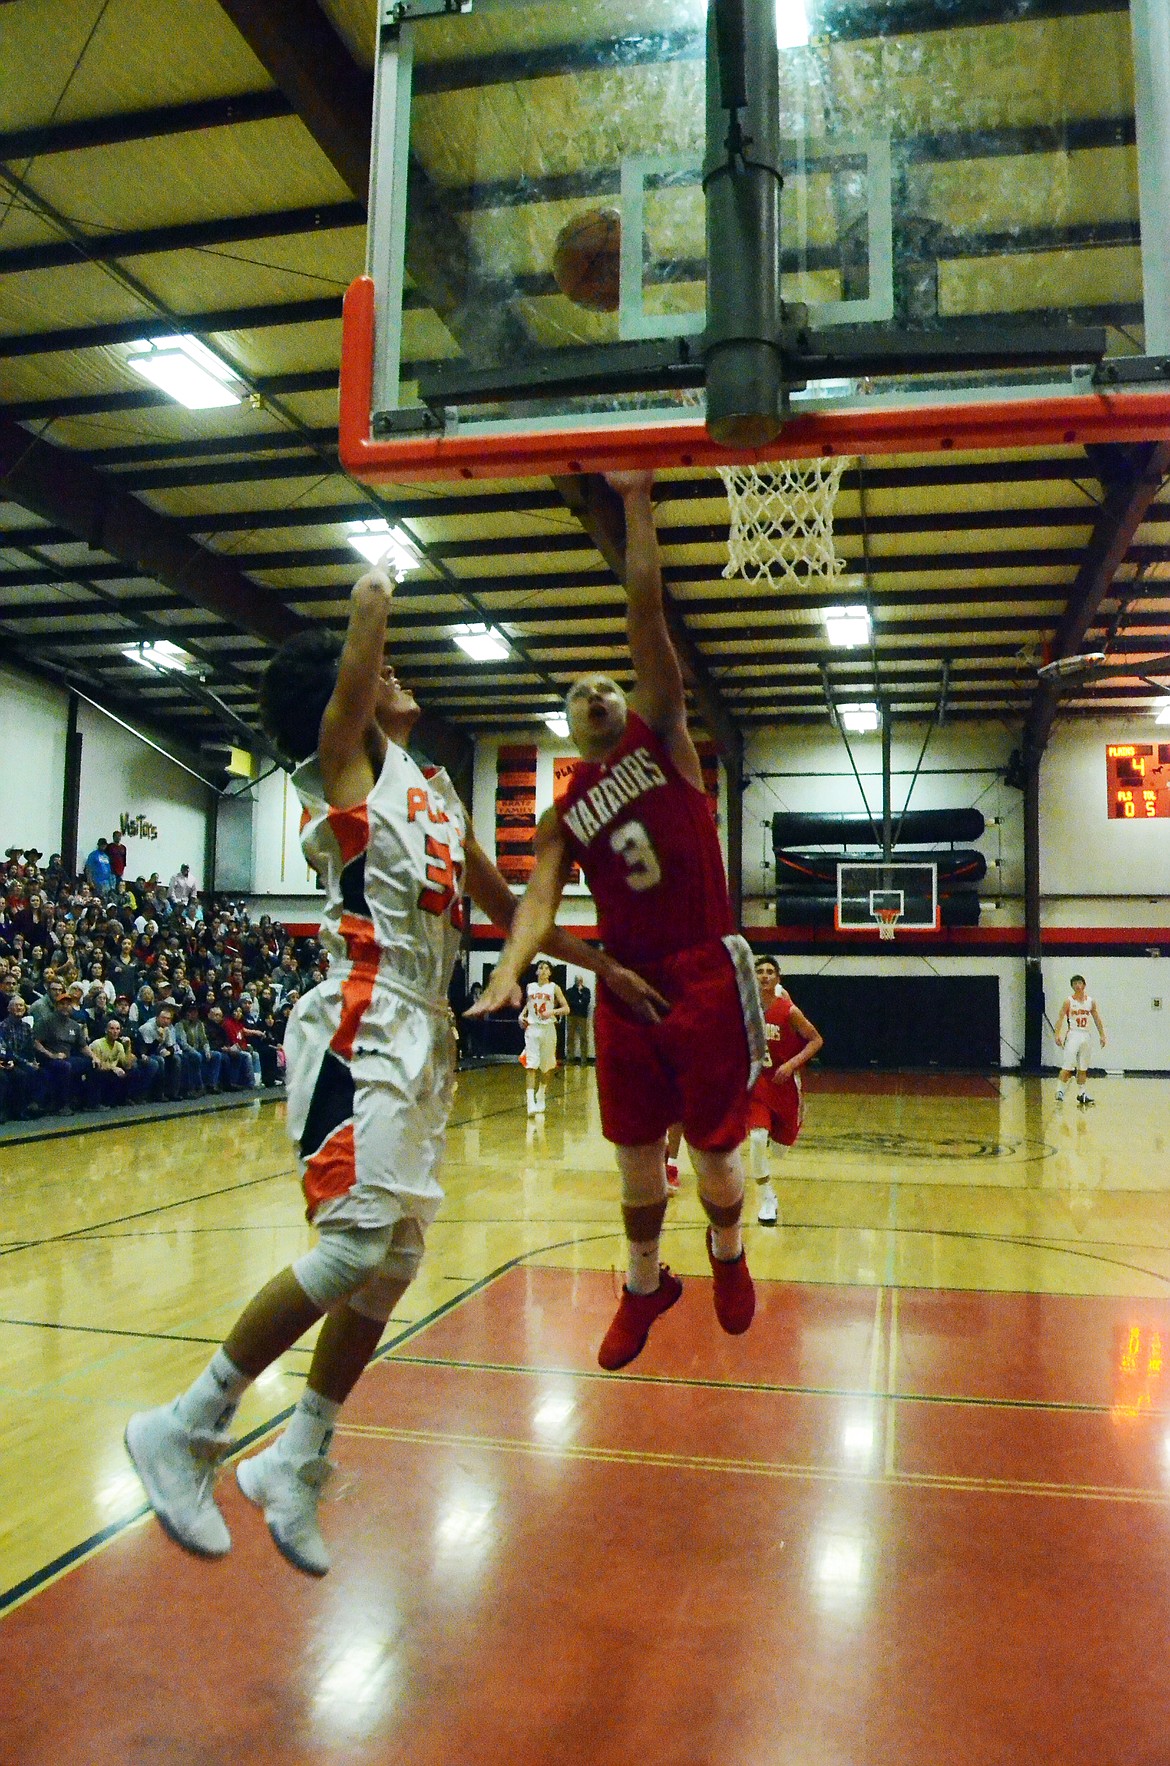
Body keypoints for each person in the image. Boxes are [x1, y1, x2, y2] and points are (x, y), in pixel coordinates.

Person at [126, 558, 661, 1576]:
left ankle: (298, 1455)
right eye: (382, 669)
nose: (398, 672)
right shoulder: (343, 764)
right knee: (350, 1241)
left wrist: (607, 965)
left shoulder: (433, 789)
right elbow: (362, 645)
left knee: (397, 1255)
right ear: (354, 688)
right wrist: (381, 570)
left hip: (428, 1034)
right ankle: (187, 1425)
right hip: (358, 1016)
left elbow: (512, 913)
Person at [469, 470, 766, 1371]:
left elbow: (646, 610)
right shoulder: (564, 816)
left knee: (714, 1164)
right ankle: (644, 1285)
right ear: (566, 724)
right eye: (580, 693)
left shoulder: (664, 734)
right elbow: (538, 903)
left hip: (706, 972)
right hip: (629, 986)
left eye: (608, 685)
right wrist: (511, 968)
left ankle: (727, 1254)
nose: (598, 693)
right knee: (635, 1159)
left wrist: (636, 502)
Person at [748, 957, 823, 1225]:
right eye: (759, 972)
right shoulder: (745, 1009)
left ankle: (793, 1121)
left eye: (770, 972)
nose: (764, 976)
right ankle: (767, 1197)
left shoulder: (788, 1010)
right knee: (756, 1140)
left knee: (779, 1151)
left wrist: (791, 1065)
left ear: (778, 978)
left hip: (785, 1087)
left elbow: (816, 1040)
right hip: (758, 1084)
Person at [519, 960, 569, 1114]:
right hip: (533, 1029)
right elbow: (529, 1003)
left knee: (546, 1067)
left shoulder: (554, 987)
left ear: (550, 973)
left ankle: (541, 1094)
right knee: (531, 1065)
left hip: (548, 1028)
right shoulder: (530, 987)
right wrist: (521, 1015)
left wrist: (552, 1012)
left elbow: (566, 1009)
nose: (544, 970)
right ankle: (530, 1103)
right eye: (541, 967)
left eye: (547, 968)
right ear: (536, 972)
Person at [1054, 974, 1106, 1107]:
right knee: (1068, 1066)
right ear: (1072, 986)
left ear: (1084, 985)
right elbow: (1060, 1018)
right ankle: (1059, 1090)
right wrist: (1057, 1034)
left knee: (1083, 1067)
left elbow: (1096, 1018)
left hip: (1086, 1035)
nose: (1077, 985)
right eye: (1074, 983)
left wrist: (1102, 1035)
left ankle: (1082, 1093)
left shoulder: (1090, 1001)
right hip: (1073, 1034)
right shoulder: (1068, 1001)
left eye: (1079, 983)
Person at [564, 974, 592, 1064]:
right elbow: (569, 1002)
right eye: (577, 980)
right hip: (571, 1016)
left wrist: (580, 994)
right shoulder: (569, 991)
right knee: (570, 1037)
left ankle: (584, 1058)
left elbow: (586, 1002)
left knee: (583, 1037)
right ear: (575, 981)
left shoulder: (586, 991)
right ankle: (569, 1057)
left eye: (580, 980)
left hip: (582, 1017)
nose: (579, 981)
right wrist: (579, 1002)